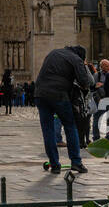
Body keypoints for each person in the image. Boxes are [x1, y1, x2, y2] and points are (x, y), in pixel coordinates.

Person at [34, 44, 94, 174]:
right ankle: (76, 162)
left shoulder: (53, 52)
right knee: (70, 126)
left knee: (47, 130)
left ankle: (55, 164)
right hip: (59, 95)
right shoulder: (76, 59)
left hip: (40, 94)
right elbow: (85, 82)